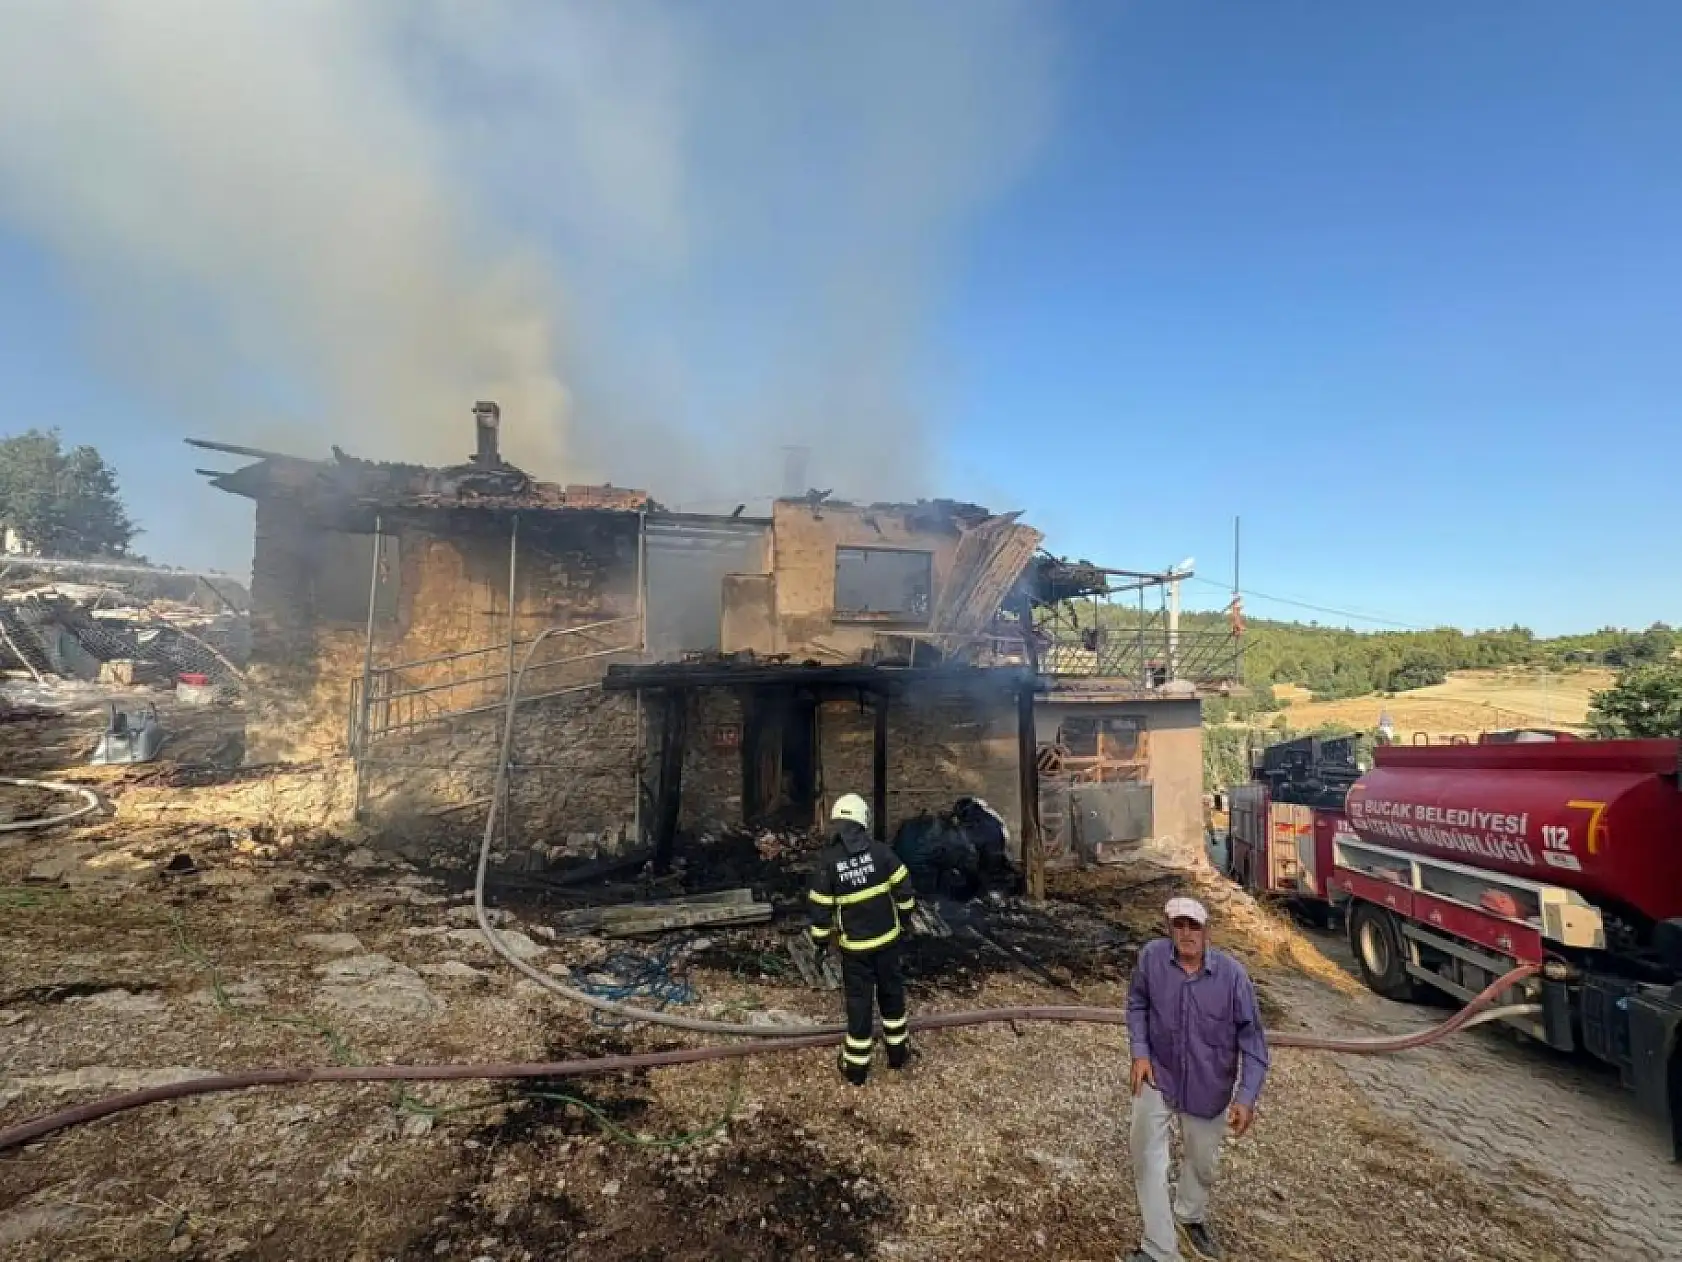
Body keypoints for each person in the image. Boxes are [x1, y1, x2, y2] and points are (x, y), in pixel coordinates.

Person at [1123, 896, 1269, 1262]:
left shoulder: (1233, 978)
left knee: (1203, 1163)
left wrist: (1246, 1097)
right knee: (1147, 1157)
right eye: (1179, 925)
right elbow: (1137, 1002)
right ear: (1169, 928)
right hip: (1159, 1074)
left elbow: (1253, 1041)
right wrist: (1140, 1052)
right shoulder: (1152, 959)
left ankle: (1189, 1215)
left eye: (1194, 925)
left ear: (1208, 932)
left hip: (1209, 1086)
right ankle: (1159, 1249)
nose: (1187, 933)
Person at [807, 793, 917, 1084]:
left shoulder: (829, 862)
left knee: (859, 1003)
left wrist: (821, 942)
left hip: (855, 950)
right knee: (892, 995)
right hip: (888, 942)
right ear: (862, 820)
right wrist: (905, 918)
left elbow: (820, 907)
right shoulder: (881, 853)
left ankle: (856, 1068)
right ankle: (898, 1054)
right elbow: (904, 888)